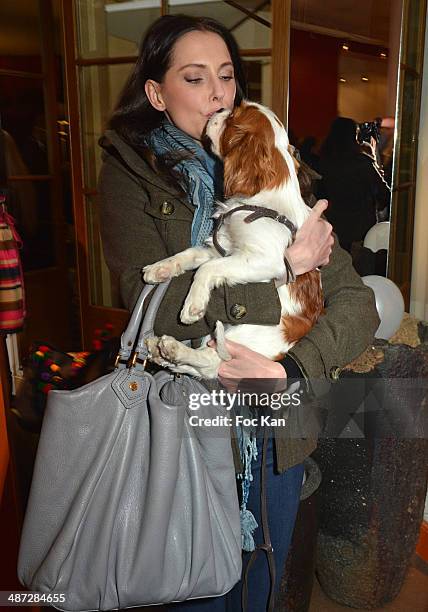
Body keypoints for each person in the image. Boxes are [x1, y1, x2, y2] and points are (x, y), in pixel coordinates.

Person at [98, 14, 380, 612]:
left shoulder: (272, 170)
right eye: (196, 78)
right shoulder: (131, 173)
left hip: (276, 427)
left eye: (226, 76)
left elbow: (358, 305)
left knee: (262, 587)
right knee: (190, 589)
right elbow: (155, 307)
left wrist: (297, 369)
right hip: (183, 423)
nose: (219, 94)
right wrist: (283, 269)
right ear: (157, 92)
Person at [317, 116, 391, 254]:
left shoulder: (323, 162)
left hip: (333, 223)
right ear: (353, 136)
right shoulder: (362, 163)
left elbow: (319, 195)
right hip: (361, 226)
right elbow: (384, 193)